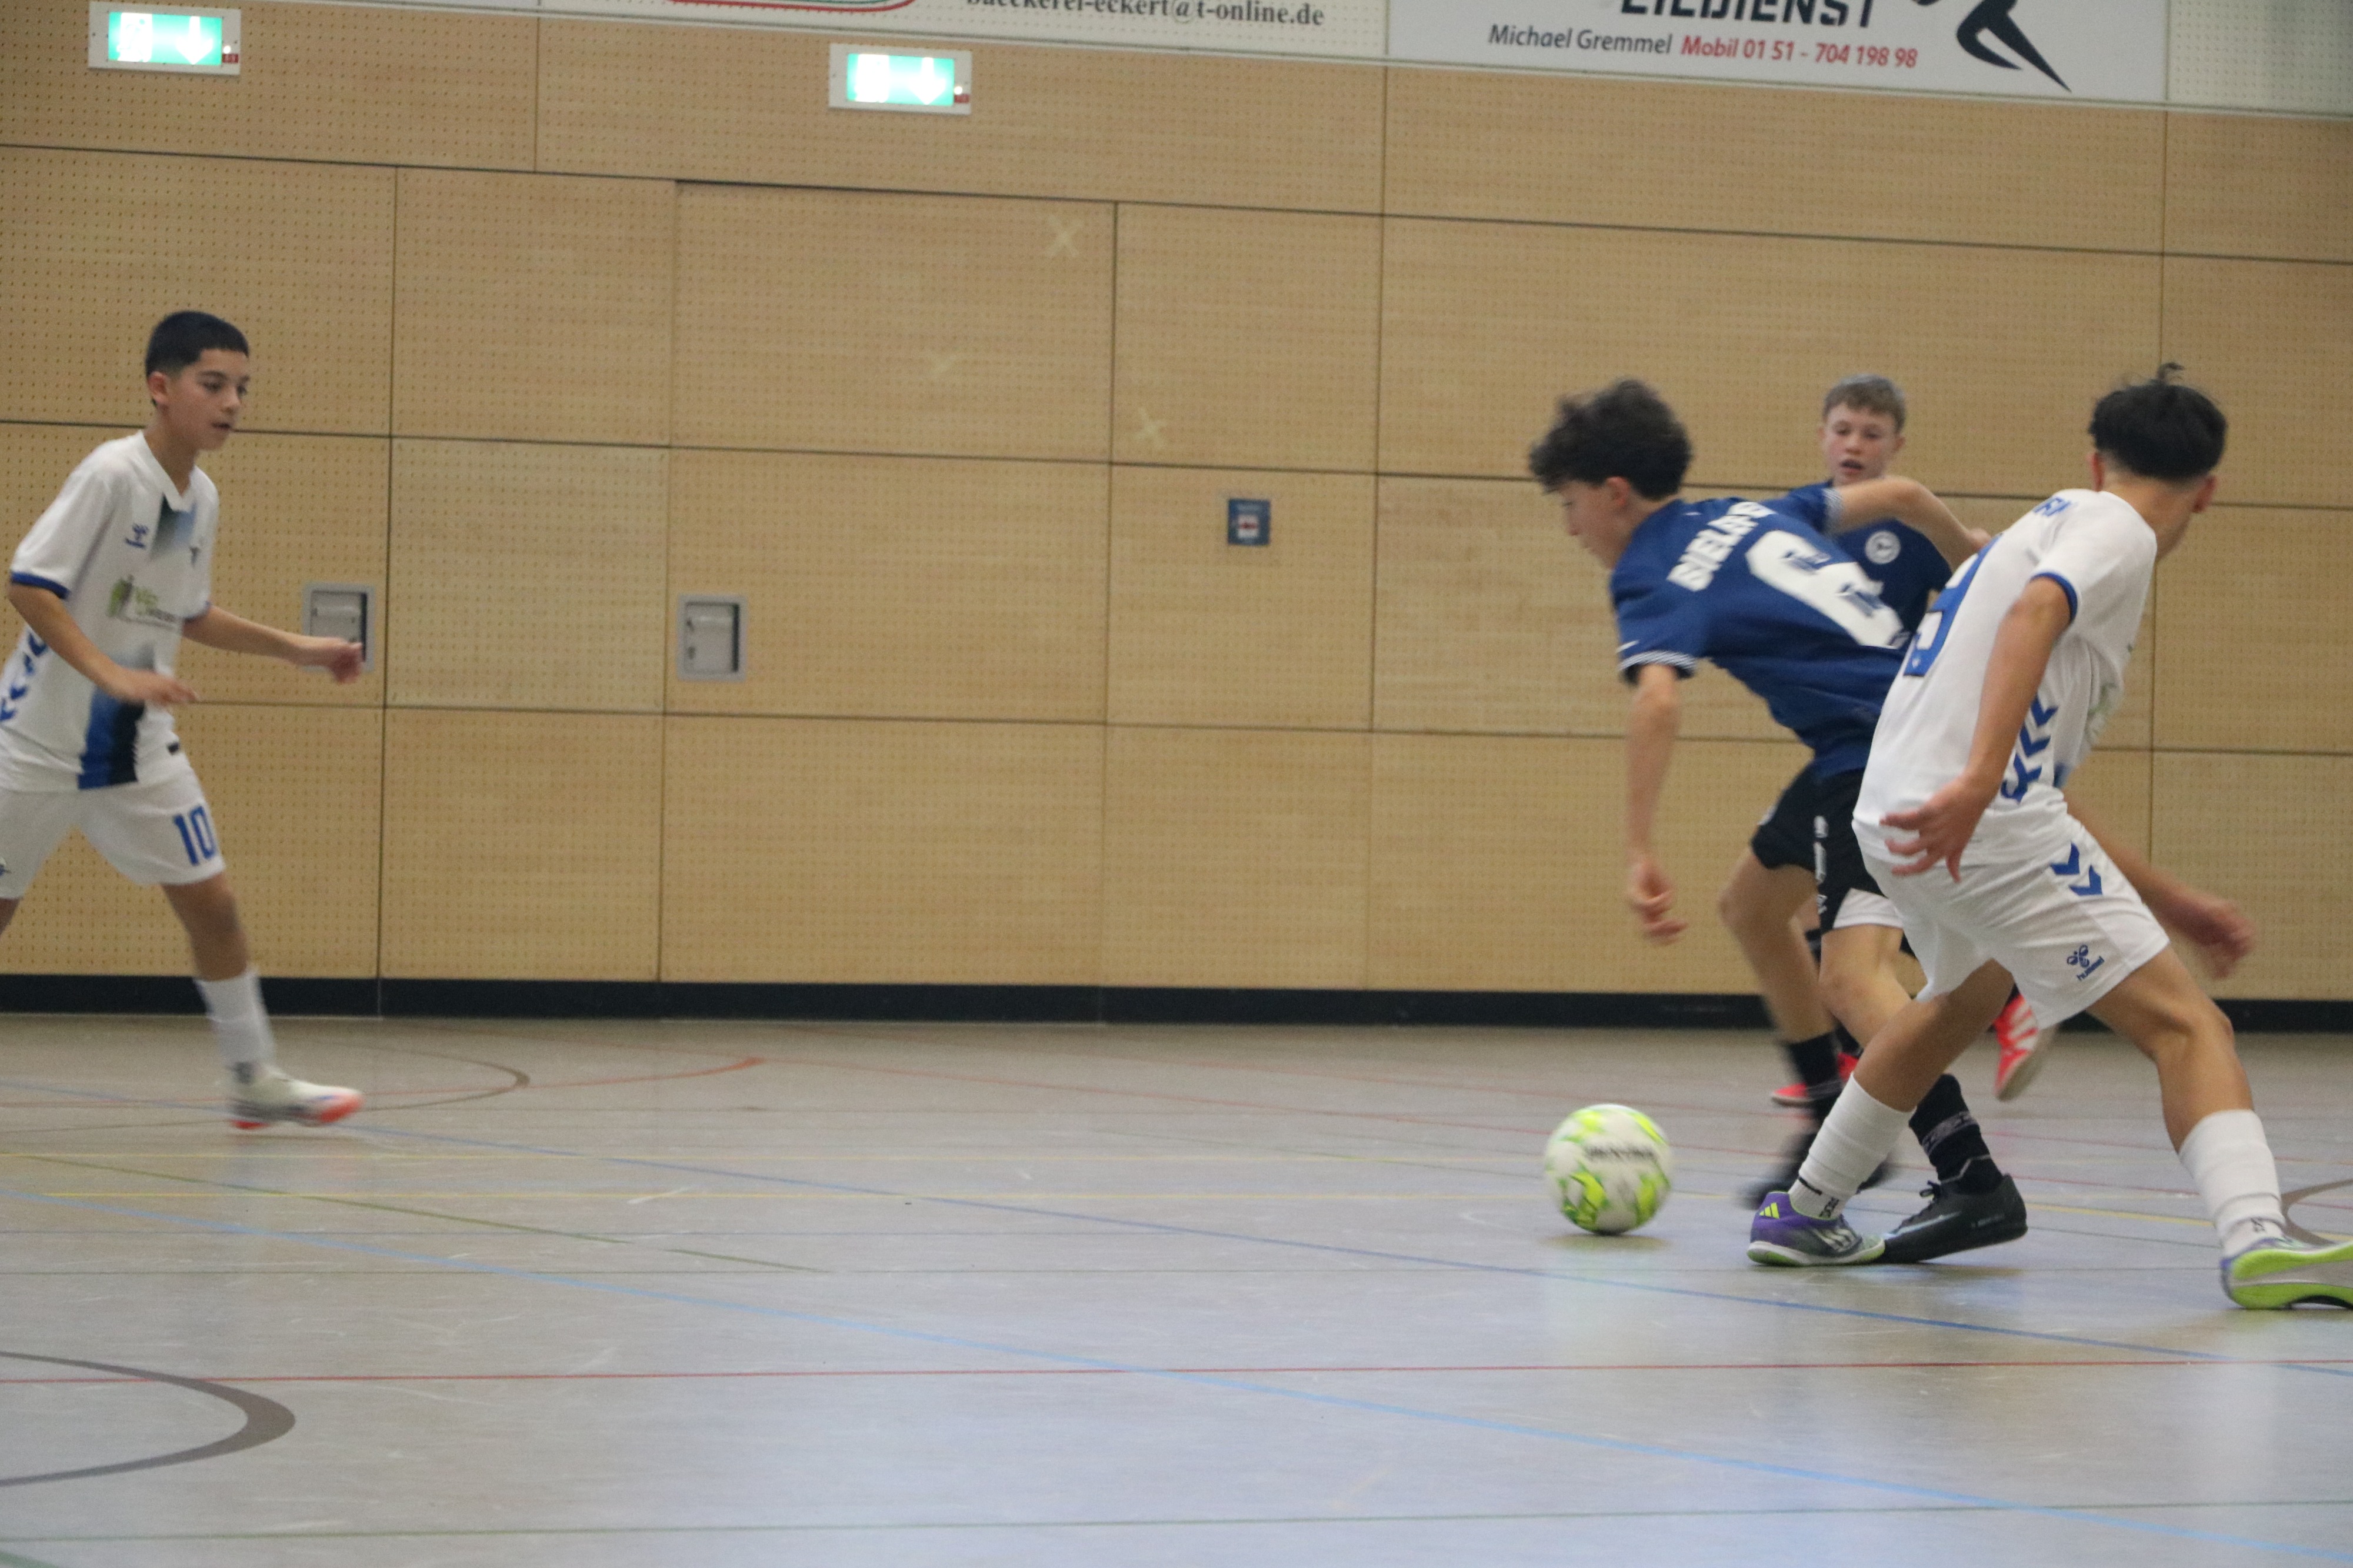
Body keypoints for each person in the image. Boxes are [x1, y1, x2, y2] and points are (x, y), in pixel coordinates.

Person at [1747, 368, 2353, 1307]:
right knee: (2190, 1025)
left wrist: (2170, 896)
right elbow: (2039, 617)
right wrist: (1980, 784)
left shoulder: (2055, 515)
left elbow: (2044, 764)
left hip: (1897, 810)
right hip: (1976, 818)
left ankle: (1807, 1205)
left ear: (2094, 456)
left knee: (1955, 1001)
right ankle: (2259, 1238)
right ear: (2209, 489)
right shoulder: (2120, 531)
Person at [1530, 378, 2022, 1263]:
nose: (1570, 528)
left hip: (1877, 756)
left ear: (1611, 494)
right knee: (1754, 906)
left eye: (1569, 506)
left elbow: (1656, 704)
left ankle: (1969, 1175)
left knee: (1854, 979)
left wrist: (1639, 848)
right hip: (1899, 725)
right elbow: (1907, 499)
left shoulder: (1648, 571)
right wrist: (1972, 561)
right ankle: (1836, 1121)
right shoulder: (1751, 513)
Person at [1, 311, 365, 1129]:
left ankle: (252, 1077)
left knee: (215, 903)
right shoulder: (111, 474)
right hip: (35, 743)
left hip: (138, 750)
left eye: (242, 387)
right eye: (214, 384)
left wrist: (294, 648)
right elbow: (30, 585)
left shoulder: (198, 495)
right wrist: (111, 673)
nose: (232, 402)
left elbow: (184, 611)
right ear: (161, 388)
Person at [1739, 378, 2054, 1114]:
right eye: (1843, 429)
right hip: (1838, 748)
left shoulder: (1913, 533)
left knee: (1851, 935)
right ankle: (1835, 1067)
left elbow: (1985, 616)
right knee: (1761, 904)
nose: (1854, 444)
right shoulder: (1795, 531)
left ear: (1895, 447)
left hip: (1888, 748)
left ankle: (1939, 1047)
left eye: (1871, 434)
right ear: (1821, 435)